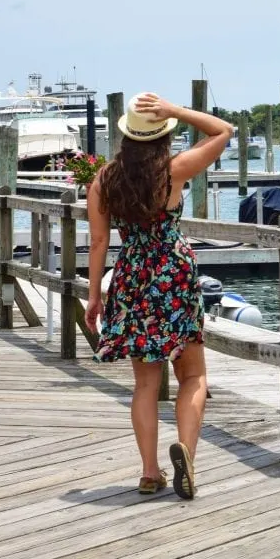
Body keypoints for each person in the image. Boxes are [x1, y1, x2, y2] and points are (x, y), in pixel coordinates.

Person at [85, 93, 233, 499]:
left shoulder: (102, 181)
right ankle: (186, 451)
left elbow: (98, 243)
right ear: (162, 136)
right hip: (173, 274)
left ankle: (150, 472)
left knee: (145, 383)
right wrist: (176, 111)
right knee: (193, 375)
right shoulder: (175, 170)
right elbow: (224, 131)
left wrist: (94, 297)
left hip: (131, 276)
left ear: (126, 137)